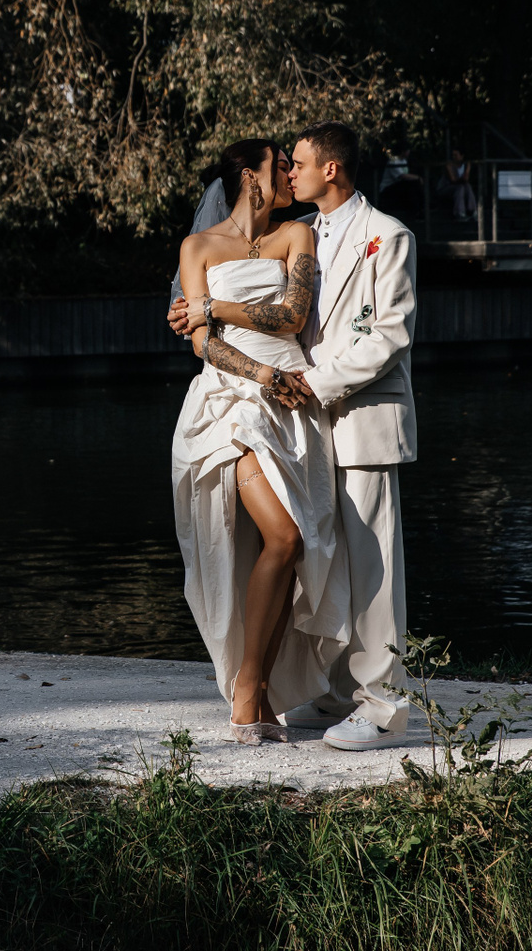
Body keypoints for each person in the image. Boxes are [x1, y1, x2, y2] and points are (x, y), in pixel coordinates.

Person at [171, 122, 418, 752]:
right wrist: (211, 328)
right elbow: (209, 333)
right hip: (285, 409)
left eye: (298, 163)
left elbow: (387, 335)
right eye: (283, 165)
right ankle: (335, 691)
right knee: (325, 559)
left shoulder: (386, 234)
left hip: (346, 409)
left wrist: (305, 382)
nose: (291, 172)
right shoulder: (298, 229)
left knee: (372, 565)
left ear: (329, 169)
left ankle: (382, 707)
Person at [170, 140, 349, 744]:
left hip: (293, 402)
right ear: (251, 178)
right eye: (280, 167)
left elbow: (294, 315)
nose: (290, 176)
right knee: (285, 534)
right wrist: (261, 374)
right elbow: (201, 344)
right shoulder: (197, 247)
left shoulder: (296, 235)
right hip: (234, 400)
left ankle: (264, 692)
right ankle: (246, 690)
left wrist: (211, 306)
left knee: (295, 547)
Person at [436, 147, 477, 220]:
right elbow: (453, 180)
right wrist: (463, 178)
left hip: (461, 187)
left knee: (467, 186)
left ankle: (472, 210)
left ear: (462, 156)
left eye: (456, 155)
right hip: (446, 188)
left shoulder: (465, 165)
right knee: (460, 187)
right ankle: (460, 213)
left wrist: (468, 169)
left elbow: (466, 179)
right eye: (453, 155)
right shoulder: (449, 165)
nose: (454, 157)